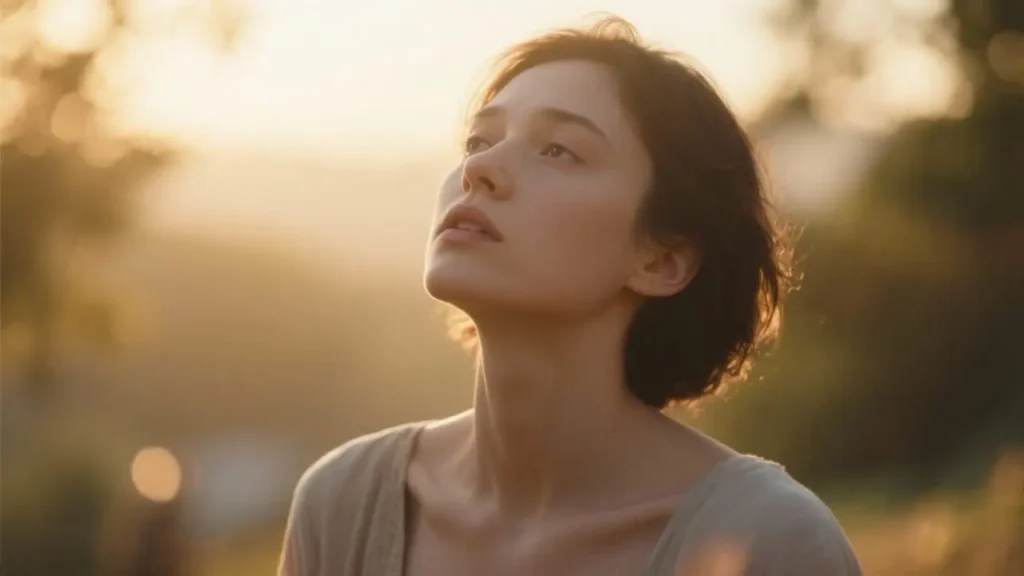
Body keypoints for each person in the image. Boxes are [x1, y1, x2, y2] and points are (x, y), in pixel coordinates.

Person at [279, 16, 861, 576]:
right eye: (479, 139)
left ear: (661, 260)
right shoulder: (343, 505)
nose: (481, 168)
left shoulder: (771, 542)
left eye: (558, 150)